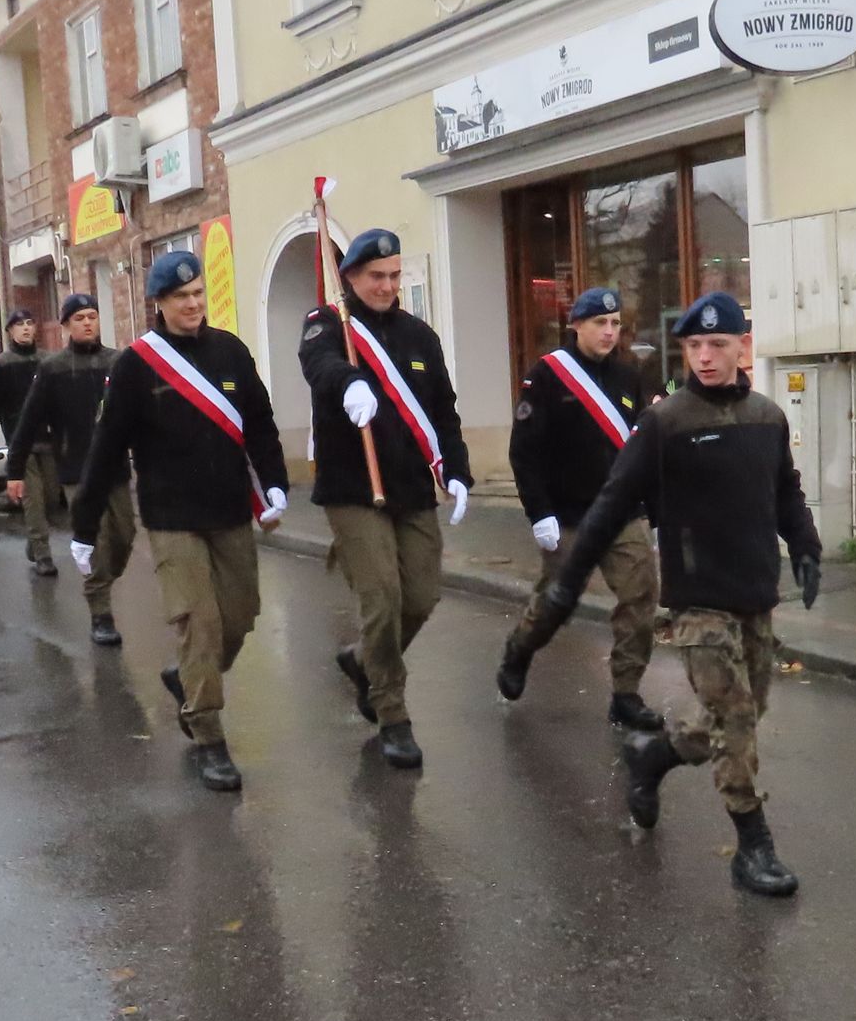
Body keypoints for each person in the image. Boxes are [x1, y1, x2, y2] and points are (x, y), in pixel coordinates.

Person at [519, 292, 821, 898]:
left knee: (739, 712)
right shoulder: (666, 422)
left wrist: (806, 546)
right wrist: (569, 580)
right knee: (735, 718)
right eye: (694, 346)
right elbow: (612, 503)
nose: (704, 357)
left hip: (754, 590)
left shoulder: (767, 417)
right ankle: (753, 845)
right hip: (697, 598)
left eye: (717, 344)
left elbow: (785, 490)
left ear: (742, 347)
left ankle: (654, 757)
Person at [74, 251, 289, 794]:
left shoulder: (231, 351)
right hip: (172, 518)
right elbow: (106, 447)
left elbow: (260, 424)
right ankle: (208, 734)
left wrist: (275, 483)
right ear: (160, 303)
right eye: (180, 297)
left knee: (240, 617)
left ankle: (186, 676)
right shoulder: (136, 365)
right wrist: (84, 524)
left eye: (197, 295)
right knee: (200, 622)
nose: (192, 305)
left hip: (229, 509)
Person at [297, 228, 471, 771]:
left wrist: (458, 471)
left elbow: (443, 410)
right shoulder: (328, 324)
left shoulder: (420, 337)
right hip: (354, 488)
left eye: (394, 275)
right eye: (376, 276)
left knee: (421, 596)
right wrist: (348, 383)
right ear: (350, 276)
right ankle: (391, 712)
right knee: (383, 598)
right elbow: (318, 364)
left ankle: (363, 660)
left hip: (411, 487)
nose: (387, 285)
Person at [495, 286, 660, 731]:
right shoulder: (547, 376)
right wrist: (539, 513)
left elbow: (641, 448)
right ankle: (520, 648)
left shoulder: (628, 377)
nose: (609, 332)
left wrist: (655, 508)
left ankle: (626, 694)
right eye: (599, 323)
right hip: (568, 513)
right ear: (577, 326)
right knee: (556, 603)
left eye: (615, 324)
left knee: (641, 595)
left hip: (621, 512)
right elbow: (524, 452)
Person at [8, 292, 137, 644]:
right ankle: (100, 613)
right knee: (95, 541)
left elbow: (138, 413)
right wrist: (15, 470)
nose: (87, 323)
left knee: (124, 537)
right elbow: (28, 421)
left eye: (92, 316)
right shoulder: (53, 368)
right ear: (66, 326)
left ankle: (103, 580)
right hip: (76, 468)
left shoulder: (118, 362)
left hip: (114, 469)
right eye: (79, 318)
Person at [0, 310, 56, 577]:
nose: (25, 329)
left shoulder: (48, 360)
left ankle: (34, 542)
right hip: (20, 441)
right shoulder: (3, 364)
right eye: (19, 325)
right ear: (10, 331)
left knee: (50, 498)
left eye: (29, 323)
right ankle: (43, 553)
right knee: (33, 499)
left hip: (49, 438)